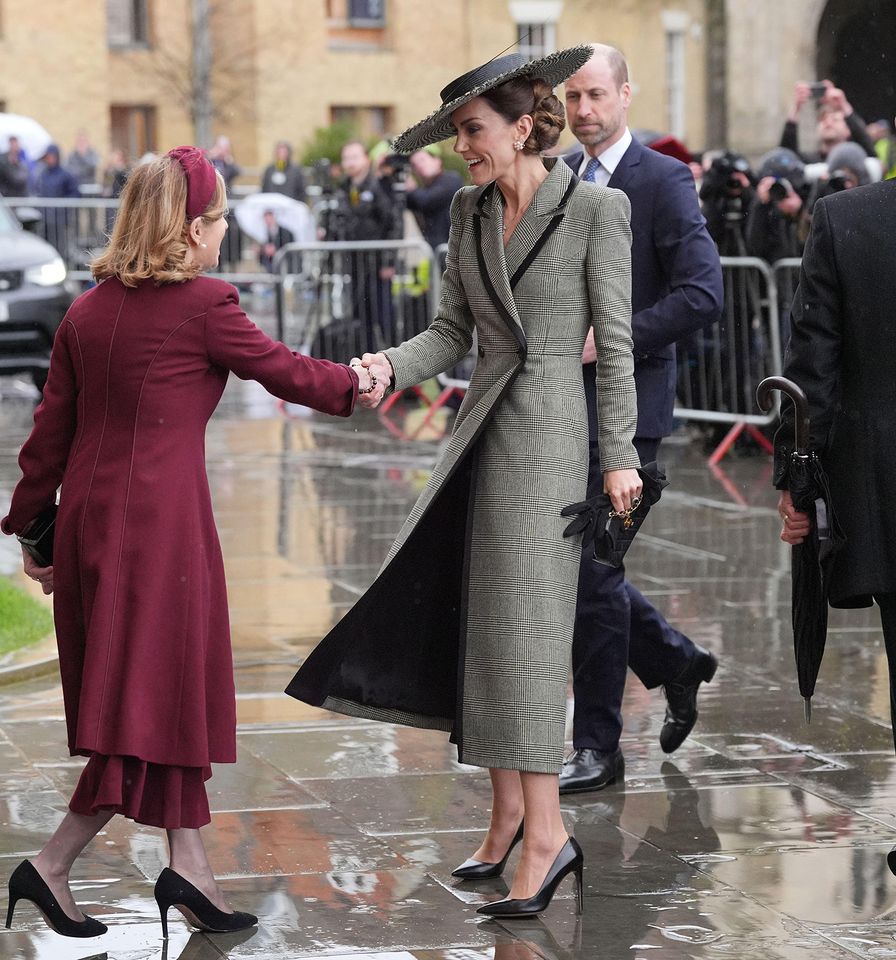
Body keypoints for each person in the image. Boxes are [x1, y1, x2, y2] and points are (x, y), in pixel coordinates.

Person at [287, 44, 641, 917]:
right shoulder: (467, 211)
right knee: (491, 633)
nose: (459, 148)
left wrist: (620, 455)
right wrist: (385, 367)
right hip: (478, 433)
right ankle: (515, 820)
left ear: (523, 126)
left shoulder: (600, 209)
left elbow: (619, 341)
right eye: (453, 134)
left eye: (471, 131)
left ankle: (548, 836)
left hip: (553, 436)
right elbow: (449, 331)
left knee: (527, 635)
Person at [1, 146, 375, 940]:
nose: (225, 230)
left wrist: (35, 530)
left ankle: (191, 870)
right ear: (191, 228)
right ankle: (52, 865)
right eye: (219, 218)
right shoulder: (204, 303)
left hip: (93, 525)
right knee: (136, 707)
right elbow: (286, 372)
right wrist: (363, 381)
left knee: (157, 697)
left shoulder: (85, 310)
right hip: (158, 534)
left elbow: (46, 440)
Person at [559, 43, 723, 795]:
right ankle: (674, 661)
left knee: (593, 572)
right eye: (573, 98)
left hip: (632, 414)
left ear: (625, 94)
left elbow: (702, 293)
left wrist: (613, 339)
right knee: (578, 571)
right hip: (559, 409)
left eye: (596, 95)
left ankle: (597, 745)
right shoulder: (557, 178)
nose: (584, 110)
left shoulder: (663, 179)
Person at [775, 176, 896, 875]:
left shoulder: (846, 218)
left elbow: (811, 369)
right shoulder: (843, 219)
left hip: (884, 482)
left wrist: (798, 484)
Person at [336, 139, 401, 348]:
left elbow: (394, 224)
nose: (350, 162)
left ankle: (398, 370)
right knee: (360, 318)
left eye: (355, 157)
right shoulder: (344, 189)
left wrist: (389, 261)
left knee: (383, 317)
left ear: (366, 159)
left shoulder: (378, 186)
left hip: (377, 264)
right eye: (346, 158)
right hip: (354, 264)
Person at [781, 81, 876, 163]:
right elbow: (786, 155)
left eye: (835, 120)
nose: (828, 122)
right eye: (823, 119)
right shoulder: (810, 162)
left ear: (848, 130)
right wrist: (797, 107)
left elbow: (868, 147)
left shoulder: (858, 158)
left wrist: (843, 105)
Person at [405, 145, 465, 252]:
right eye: (414, 164)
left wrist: (411, 187)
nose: (419, 165)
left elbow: (426, 200)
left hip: (454, 251)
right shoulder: (422, 191)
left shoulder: (451, 179)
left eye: (422, 160)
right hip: (436, 251)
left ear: (437, 161)